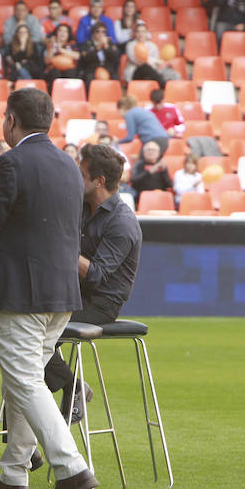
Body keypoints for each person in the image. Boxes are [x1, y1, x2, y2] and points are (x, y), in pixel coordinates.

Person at [0, 87, 98, 489]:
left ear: (11, 120)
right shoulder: (68, 163)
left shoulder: (11, 162)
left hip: (21, 293)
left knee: (25, 379)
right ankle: (14, 475)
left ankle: (72, 468)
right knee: (23, 381)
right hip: (61, 292)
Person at [39, 144, 143, 426]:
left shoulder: (122, 223)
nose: (74, 177)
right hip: (70, 296)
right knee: (24, 338)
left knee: (31, 343)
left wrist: (60, 247)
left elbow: (97, 275)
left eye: (80, 173)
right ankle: (69, 391)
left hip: (100, 304)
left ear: (99, 181)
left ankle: (69, 391)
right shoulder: (80, 206)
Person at [124, 22, 166, 87]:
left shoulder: (153, 46)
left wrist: (154, 62)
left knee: (149, 77)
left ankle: (159, 91)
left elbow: (157, 64)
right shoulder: (130, 45)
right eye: (138, 32)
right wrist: (154, 61)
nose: (141, 34)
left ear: (147, 33)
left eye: (143, 32)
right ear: (135, 33)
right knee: (144, 66)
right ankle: (164, 85)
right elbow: (138, 61)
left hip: (150, 74)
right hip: (135, 74)